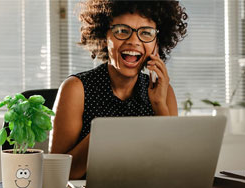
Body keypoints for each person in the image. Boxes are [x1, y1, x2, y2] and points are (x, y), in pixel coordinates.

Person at [50, 0, 188, 179]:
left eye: (146, 33)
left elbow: (172, 172)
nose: (133, 42)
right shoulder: (77, 89)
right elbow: (56, 175)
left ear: (156, 43)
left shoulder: (164, 92)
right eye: (122, 31)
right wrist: (106, 133)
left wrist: (159, 105)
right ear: (104, 35)